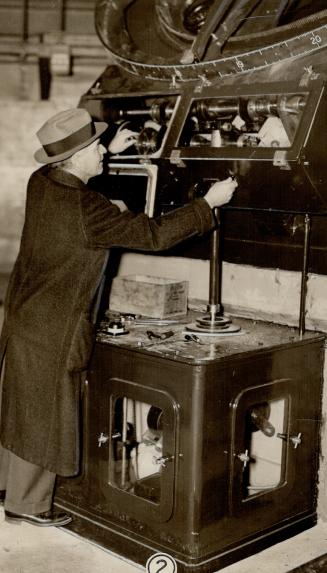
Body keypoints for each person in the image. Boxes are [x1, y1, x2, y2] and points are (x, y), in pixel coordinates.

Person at [0, 108, 237, 527]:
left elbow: (80, 188)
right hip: (56, 327)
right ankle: (27, 506)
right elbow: (154, 234)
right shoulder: (87, 209)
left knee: (23, 408)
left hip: (24, 317)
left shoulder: (43, 182)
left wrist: (105, 148)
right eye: (97, 149)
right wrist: (207, 204)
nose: (104, 157)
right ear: (75, 158)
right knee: (48, 415)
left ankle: (8, 488)